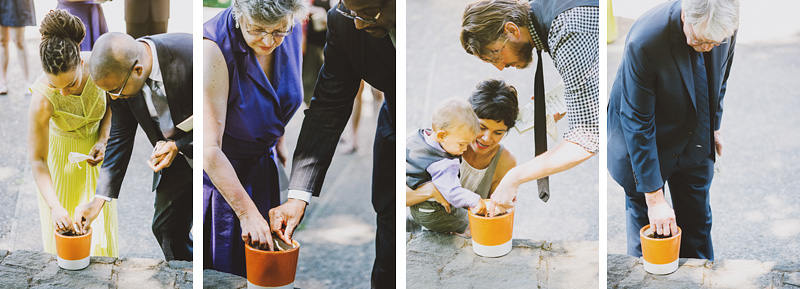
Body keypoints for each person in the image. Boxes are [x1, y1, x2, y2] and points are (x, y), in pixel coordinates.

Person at [269, 0, 396, 287]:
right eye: (352, 13)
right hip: (392, 133)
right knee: (390, 243)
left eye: (367, 15)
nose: (359, 24)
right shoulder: (343, 21)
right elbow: (328, 106)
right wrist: (296, 197)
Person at [608, 0, 739, 260]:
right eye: (700, 40)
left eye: (715, 43)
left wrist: (714, 126)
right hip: (641, 140)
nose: (707, 49)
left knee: (697, 228)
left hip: (696, 136)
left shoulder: (726, 16)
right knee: (651, 236)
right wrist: (655, 199)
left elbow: (720, 78)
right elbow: (637, 120)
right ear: (685, 17)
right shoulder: (645, 40)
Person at [460, 0, 599, 214]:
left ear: (511, 30)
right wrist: (567, 95)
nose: (500, 67)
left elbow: (589, 136)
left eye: (496, 54)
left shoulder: (568, 30)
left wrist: (514, 178)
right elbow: (589, 64)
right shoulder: (542, 11)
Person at [202, 0, 308, 277]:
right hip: (225, 180)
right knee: (227, 272)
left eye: (279, 31)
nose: (269, 40)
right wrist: (247, 213)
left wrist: (279, 137)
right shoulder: (212, 48)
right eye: (258, 29)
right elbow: (209, 149)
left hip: (263, 168)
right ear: (239, 14)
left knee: (264, 273)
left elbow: (278, 96)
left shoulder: (290, 25)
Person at [74, 31, 194, 261]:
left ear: (137, 70)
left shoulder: (190, 54)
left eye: (116, 91)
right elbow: (120, 135)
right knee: (166, 229)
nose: (114, 98)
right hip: (175, 162)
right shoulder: (120, 78)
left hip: (216, 152)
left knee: (214, 231)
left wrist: (179, 145)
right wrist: (98, 201)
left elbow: (224, 116)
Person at [28, 9, 117, 257]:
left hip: (97, 160)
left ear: (81, 63)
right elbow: (37, 159)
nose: (64, 93)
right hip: (59, 166)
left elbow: (113, 104)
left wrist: (102, 138)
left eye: (70, 84)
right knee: (67, 242)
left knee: (99, 234)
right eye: (57, 87)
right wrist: (55, 207)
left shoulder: (101, 67)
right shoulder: (42, 100)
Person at [406, 78, 519, 233]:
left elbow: (494, 214)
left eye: (498, 132)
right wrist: (430, 190)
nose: (486, 138)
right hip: (419, 230)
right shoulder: (442, 142)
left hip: (464, 236)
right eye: (481, 127)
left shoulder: (505, 161)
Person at [407, 98, 487, 234]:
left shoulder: (417, 136)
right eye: (462, 144)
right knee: (470, 224)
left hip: (416, 206)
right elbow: (452, 193)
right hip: (433, 212)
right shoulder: (443, 163)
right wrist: (476, 200)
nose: (465, 149)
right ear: (442, 135)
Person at [0, 0, 35, 94]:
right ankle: (2, 82)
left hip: (16, 3)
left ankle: (27, 82)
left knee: (19, 41)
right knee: (2, 41)